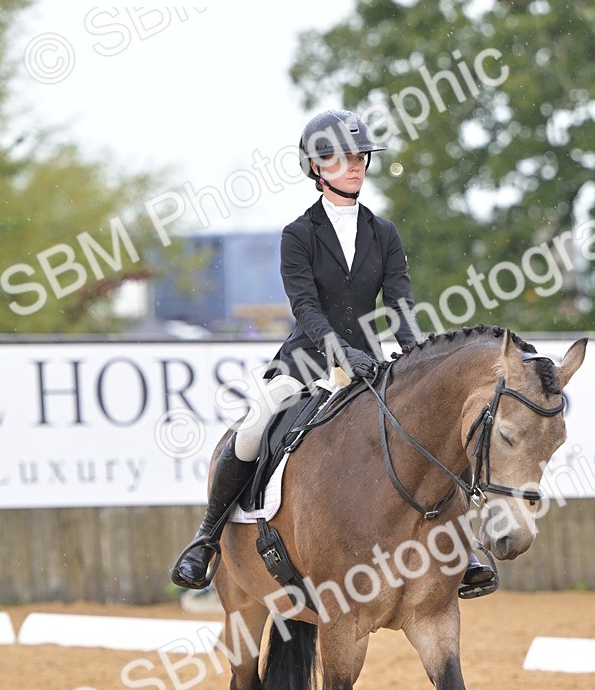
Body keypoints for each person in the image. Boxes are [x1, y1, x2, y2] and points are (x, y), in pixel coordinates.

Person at [170, 109, 497, 597]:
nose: (356, 165)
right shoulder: (297, 235)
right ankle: (206, 539)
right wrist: (340, 353)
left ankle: (459, 545)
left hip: (371, 362)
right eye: (343, 159)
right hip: (306, 360)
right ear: (316, 168)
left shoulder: (383, 233)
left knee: (436, 426)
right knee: (253, 429)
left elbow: (400, 304)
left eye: (360, 157)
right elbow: (305, 307)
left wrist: (419, 362)